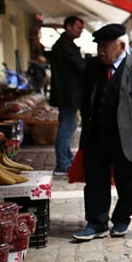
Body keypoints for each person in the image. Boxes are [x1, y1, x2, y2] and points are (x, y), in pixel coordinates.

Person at [73, 24, 132, 241]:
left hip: (130, 137)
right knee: (95, 180)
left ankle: (122, 218)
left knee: (128, 181)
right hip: (97, 136)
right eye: (98, 47)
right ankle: (96, 222)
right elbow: (86, 102)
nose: (100, 51)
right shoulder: (93, 67)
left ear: (121, 46)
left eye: (105, 46)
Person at [49, 16, 86, 175]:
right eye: (78, 28)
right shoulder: (64, 46)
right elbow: (79, 67)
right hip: (68, 93)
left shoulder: (66, 44)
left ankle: (66, 159)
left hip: (68, 92)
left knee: (69, 126)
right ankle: (63, 163)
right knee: (66, 127)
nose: (80, 31)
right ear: (68, 27)